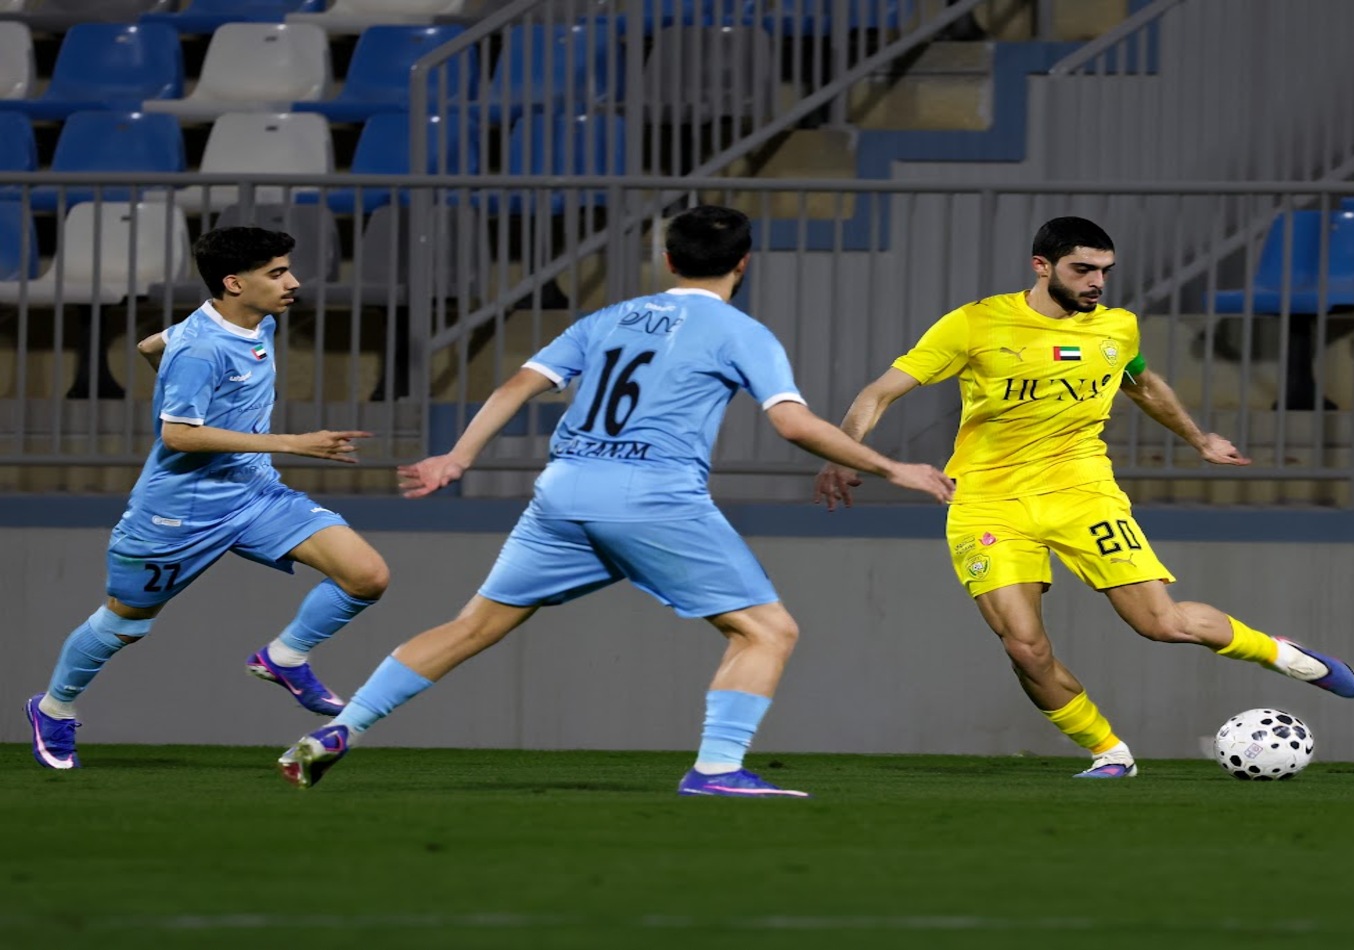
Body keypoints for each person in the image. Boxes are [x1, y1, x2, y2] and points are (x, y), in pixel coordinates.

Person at [276, 205, 956, 796]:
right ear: (744, 264)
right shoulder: (742, 333)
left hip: (564, 492)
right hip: (652, 497)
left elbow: (519, 383)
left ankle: (341, 729)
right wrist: (893, 468)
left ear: (666, 258)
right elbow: (792, 423)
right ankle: (717, 769)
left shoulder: (611, 318)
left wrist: (459, 454)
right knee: (766, 631)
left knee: (471, 628)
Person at [814, 216, 1354, 779]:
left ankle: (1288, 657)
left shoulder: (1117, 328)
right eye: (1083, 269)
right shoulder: (975, 324)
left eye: (1105, 271)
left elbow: (1143, 383)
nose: (1097, 282)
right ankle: (1109, 752)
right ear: (1041, 266)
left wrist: (1199, 438)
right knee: (1025, 647)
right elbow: (879, 392)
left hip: (1083, 493)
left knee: (1162, 624)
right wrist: (843, 451)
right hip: (987, 503)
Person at [25, 227, 391, 770]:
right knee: (124, 624)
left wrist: (176, 372)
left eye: (287, 269)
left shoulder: (252, 320)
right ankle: (53, 708)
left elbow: (152, 345)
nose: (292, 282)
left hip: (253, 494)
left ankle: (284, 657)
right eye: (276, 273)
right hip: (178, 514)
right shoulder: (201, 348)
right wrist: (292, 442)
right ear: (233, 283)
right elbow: (179, 436)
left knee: (366, 576)